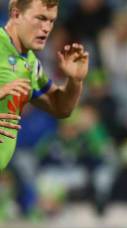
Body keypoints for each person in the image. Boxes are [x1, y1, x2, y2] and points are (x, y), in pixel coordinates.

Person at [0, 0, 89, 170]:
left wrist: (75, 81)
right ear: (16, 14)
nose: (47, 28)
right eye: (40, 18)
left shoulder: (30, 63)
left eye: (51, 21)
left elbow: (61, 107)